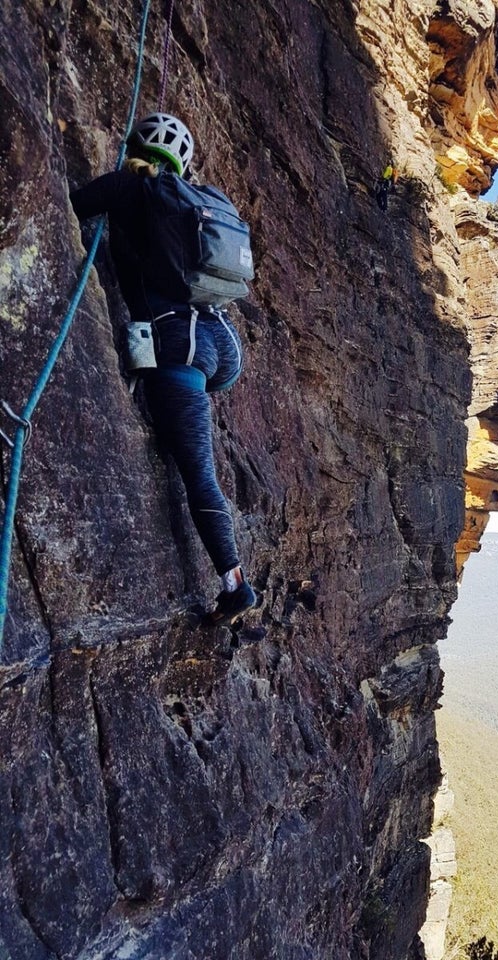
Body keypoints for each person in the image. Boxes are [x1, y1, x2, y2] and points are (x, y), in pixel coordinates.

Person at [70, 113, 256, 626]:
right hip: (217, 343)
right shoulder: (196, 201)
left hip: (179, 345)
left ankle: (234, 583)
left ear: (135, 147)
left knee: (197, 471)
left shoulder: (133, 187)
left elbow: (73, 206)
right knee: (191, 445)